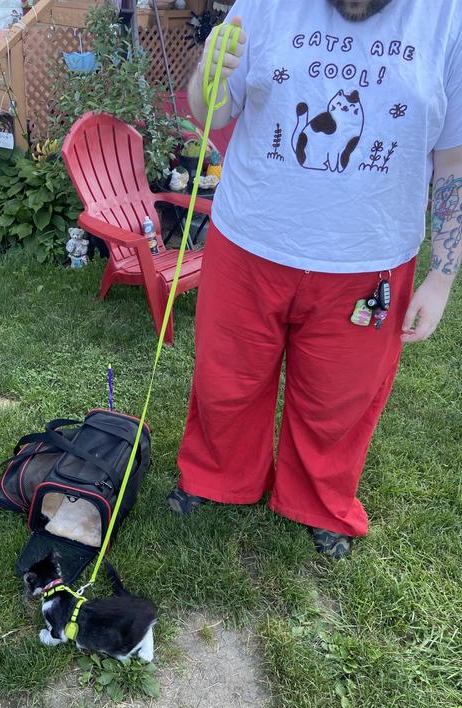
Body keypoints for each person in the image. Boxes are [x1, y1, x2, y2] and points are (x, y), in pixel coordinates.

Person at [167, 0, 462, 558]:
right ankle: (216, 476)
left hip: (370, 260)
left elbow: (453, 163)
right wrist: (208, 72)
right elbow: (213, 110)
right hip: (250, 241)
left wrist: (443, 277)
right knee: (227, 380)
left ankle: (319, 500)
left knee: (340, 399)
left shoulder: (449, 18)